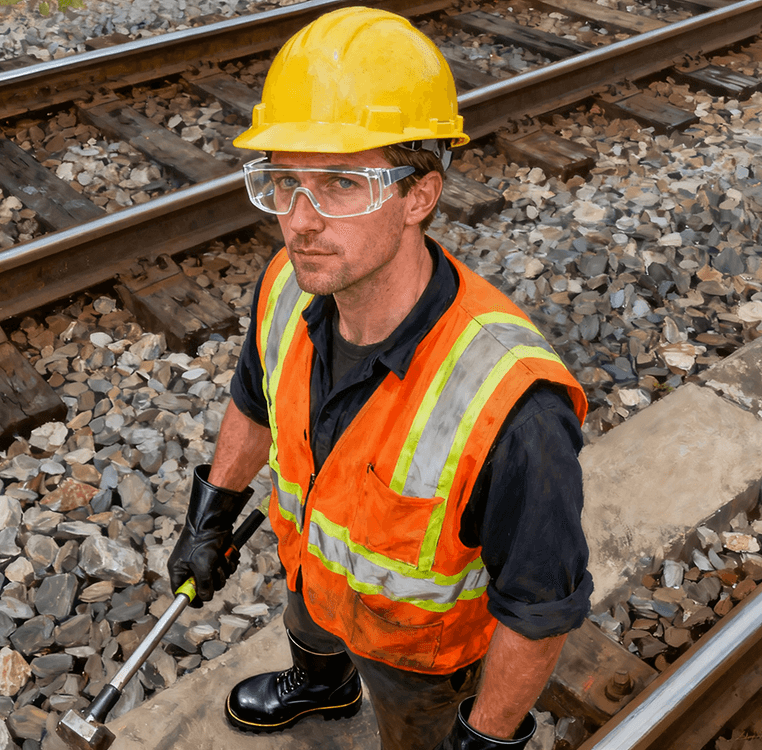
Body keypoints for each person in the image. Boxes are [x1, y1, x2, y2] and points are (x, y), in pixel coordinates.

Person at [167, 7, 592, 750]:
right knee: (307, 616)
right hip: (310, 578)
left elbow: (540, 608)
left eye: (338, 183)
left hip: (420, 658)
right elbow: (252, 398)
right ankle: (323, 682)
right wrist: (213, 509)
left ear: (419, 196)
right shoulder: (288, 287)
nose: (298, 221)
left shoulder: (512, 407)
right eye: (284, 181)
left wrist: (487, 736)